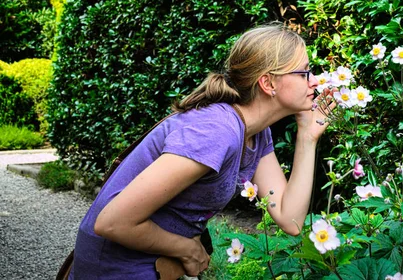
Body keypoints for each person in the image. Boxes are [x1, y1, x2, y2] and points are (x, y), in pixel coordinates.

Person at [68, 23, 333, 279]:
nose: (314, 82)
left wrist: (307, 137)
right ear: (268, 83)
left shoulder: (254, 132)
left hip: (154, 263)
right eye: (304, 73)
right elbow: (112, 223)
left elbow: (291, 219)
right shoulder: (216, 132)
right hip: (114, 268)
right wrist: (188, 248)